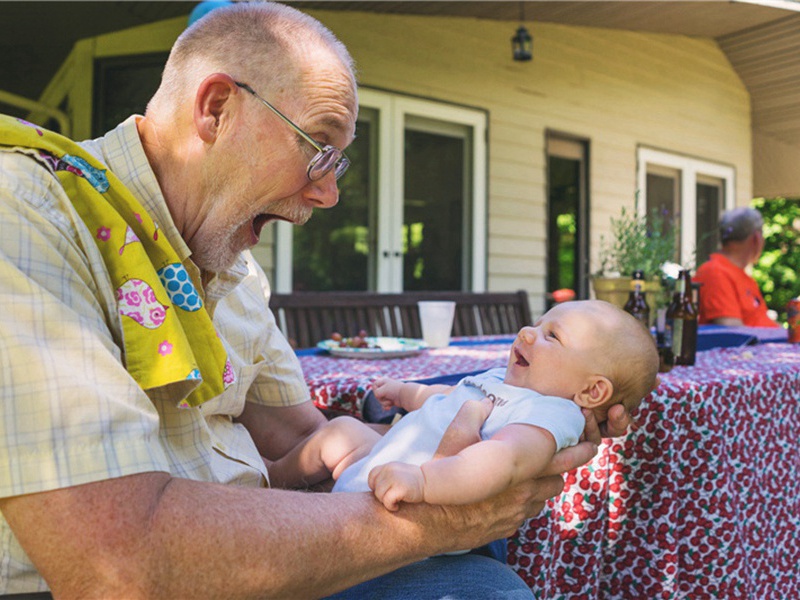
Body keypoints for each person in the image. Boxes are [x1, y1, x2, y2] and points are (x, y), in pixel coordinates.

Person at [0, 3, 634, 598]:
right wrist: (438, 521)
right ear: (217, 108)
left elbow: (307, 441)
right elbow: (113, 564)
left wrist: (511, 418)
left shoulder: (232, 269)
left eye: (340, 163)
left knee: (480, 570)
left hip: (250, 550)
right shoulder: (26, 210)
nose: (329, 194)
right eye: (319, 147)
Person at [269, 300, 659, 520]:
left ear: (593, 391)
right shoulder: (506, 380)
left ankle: (275, 492)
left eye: (551, 336)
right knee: (340, 431)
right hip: (381, 462)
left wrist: (425, 483)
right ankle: (268, 479)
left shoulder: (551, 415)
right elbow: (450, 396)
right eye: (538, 324)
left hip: (408, 502)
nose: (527, 333)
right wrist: (406, 392)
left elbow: (500, 461)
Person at [693, 207, 778, 327]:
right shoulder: (715, 272)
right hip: (756, 345)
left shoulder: (739, 274)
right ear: (756, 238)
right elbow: (731, 331)